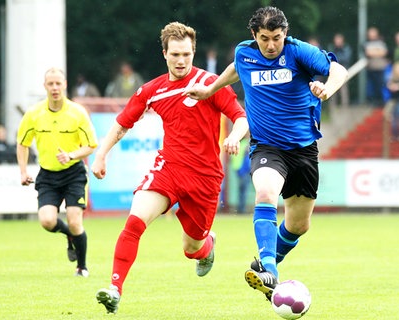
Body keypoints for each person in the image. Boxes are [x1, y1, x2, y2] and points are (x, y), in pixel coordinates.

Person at [184, 6, 348, 301]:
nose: (271, 45)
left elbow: (339, 70)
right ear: (253, 35)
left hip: (303, 149)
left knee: (299, 225)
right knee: (265, 194)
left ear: (285, 33)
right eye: (264, 39)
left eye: (276, 38)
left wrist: (327, 89)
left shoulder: (299, 52)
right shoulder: (245, 53)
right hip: (266, 146)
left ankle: (266, 262)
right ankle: (270, 271)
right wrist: (210, 90)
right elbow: (237, 67)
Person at [92, 22, 248, 314]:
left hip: (205, 179)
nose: (181, 60)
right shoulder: (152, 90)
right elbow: (123, 123)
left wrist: (234, 137)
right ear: (164, 54)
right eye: (175, 54)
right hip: (169, 169)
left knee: (192, 248)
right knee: (135, 220)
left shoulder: (210, 83)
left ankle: (206, 247)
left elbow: (241, 117)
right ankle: (115, 289)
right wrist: (101, 155)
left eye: (186, 54)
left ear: (193, 52)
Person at [16, 67, 98, 278]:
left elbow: (91, 145)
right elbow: (22, 143)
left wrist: (71, 155)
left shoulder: (77, 112)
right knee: (47, 221)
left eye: (58, 83)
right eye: (50, 84)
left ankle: (82, 266)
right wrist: (23, 171)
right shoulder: (34, 114)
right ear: (45, 86)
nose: (54, 88)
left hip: (74, 173)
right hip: (48, 175)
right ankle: (70, 236)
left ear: (65, 85)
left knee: (74, 220)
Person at [364, 26, 389, 106]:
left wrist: (373, 52)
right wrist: (378, 52)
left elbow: (384, 53)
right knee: (372, 86)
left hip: (380, 68)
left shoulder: (381, 43)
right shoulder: (367, 43)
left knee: (381, 85)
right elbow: (368, 53)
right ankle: (374, 101)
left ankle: (381, 101)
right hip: (371, 68)